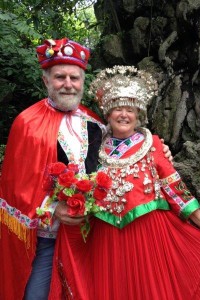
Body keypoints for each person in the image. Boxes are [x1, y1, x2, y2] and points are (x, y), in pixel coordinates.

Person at [0, 40, 171, 300]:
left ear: (82, 81)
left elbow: (120, 153)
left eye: (74, 78)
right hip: (46, 238)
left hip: (93, 234)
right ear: (46, 81)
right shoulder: (27, 123)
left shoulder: (94, 122)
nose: (68, 84)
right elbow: (13, 188)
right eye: (60, 77)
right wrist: (53, 208)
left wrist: (158, 151)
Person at [48, 65, 200, 300]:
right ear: (108, 114)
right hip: (106, 238)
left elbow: (175, 189)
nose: (124, 115)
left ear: (138, 114)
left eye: (130, 110)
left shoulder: (151, 144)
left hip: (149, 237)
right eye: (117, 109)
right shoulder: (94, 147)